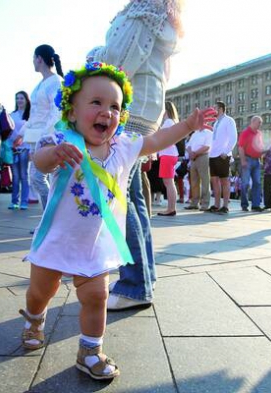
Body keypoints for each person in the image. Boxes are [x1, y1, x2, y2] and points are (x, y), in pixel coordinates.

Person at [18, 62, 215, 380]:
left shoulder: (122, 147)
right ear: (71, 110)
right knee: (41, 291)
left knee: (97, 297)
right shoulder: (62, 138)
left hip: (95, 245)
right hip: (56, 238)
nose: (106, 112)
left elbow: (155, 141)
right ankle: (34, 318)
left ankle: (90, 350)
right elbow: (39, 162)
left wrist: (187, 126)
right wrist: (55, 153)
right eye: (96, 103)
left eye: (114, 106)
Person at [92, 0, 183, 310]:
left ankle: (134, 284)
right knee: (132, 194)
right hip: (146, 107)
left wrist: (92, 58)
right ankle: (144, 275)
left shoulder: (146, 7)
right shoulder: (164, 11)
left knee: (118, 195)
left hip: (129, 107)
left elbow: (119, 59)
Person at [14, 45, 64, 210]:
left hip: (47, 137)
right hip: (36, 137)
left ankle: (50, 218)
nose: (33, 62)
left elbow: (56, 112)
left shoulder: (56, 82)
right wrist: (21, 134)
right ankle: (48, 219)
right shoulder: (41, 84)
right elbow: (35, 114)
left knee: (38, 177)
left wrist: (45, 136)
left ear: (39, 59)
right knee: (37, 178)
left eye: (33, 58)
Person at [207, 101, 237, 214]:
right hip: (213, 155)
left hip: (223, 155)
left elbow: (233, 137)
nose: (213, 110)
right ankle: (216, 205)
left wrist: (226, 151)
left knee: (225, 180)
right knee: (214, 181)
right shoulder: (215, 123)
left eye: (215, 108)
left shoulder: (228, 120)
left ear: (220, 109)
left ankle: (225, 206)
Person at [9, 91, 31, 210]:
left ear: (26, 100)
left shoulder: (30, 115)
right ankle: (14, 201)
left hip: (25, 148)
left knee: (23, 175)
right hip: (13, 149)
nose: (19, 100)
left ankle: (24, 202)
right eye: (17, 98)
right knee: (15, 176)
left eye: (21, 98)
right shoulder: (12, 115)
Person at [157, 101, 180, 216]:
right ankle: (171, 208)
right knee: (169, 182)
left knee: (169, 182)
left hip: (167, 154)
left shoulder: (168, 122)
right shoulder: (171, 122)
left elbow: (161, 137)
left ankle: (171, 208)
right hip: (170, 154)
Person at [238, 116, 264, 212]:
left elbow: (260, 147)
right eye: (259, 122)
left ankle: (255, 205)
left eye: (260, 123)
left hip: (257, 161)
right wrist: (243, 160)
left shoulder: (259, 134)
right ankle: (244, 204)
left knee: (257, 183)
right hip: (247, 160)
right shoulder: (245, 133)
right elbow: (241, 147)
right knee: (245, 183)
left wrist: (261, 159)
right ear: (253, 122)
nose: (260, 125)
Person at [184, 126, 212, 210]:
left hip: (203, 157)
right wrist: (191, 153)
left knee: (205, 180)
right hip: (193, 158)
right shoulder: (195, 134)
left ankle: (205, 203)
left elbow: (207, 146)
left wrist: (194, 153)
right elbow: (188, 146)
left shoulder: (208, 133)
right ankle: (194, 203)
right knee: (194, 181)